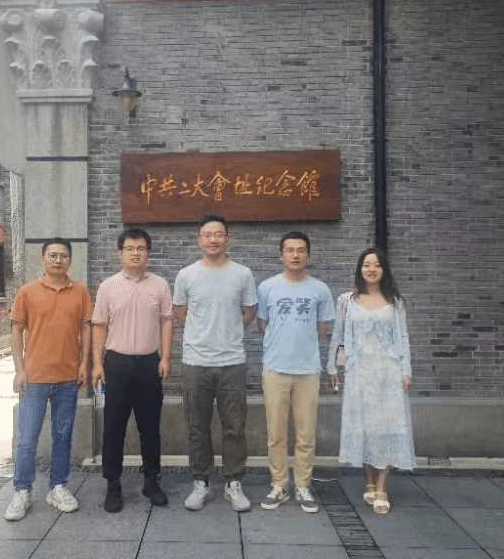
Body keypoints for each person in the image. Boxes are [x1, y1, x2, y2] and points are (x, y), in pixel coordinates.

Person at [173, 215, 257, 512]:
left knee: (234, 425)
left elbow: (249, 312)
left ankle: (234, 483)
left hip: (232, 361)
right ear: (199, 239)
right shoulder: (186, 275)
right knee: (197, 425)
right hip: (196, 362)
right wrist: (202, 335)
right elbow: (180, 312)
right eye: (208, 234)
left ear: (227, 238)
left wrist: (228, 332)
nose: (213, 239)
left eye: (219, 234)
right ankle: (201, 482)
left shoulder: (242, 274)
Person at [4, 238, 92, 521]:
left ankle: (58, 487)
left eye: (63, 255)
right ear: (42, 259)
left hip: (68, 379)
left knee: (62, 436)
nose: (57, 260)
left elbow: (86, 329)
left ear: (70, 260)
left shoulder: (80, 292)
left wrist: (84, 364)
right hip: (35, 379)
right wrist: (19, 370)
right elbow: (16, 331)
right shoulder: (28, 292)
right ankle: (22, 491)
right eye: (52, 255)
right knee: (27, 439)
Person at [327, 247, 415, 515]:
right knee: (363, 427)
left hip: (389, 372)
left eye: (377, 265)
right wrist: (331, 366)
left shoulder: (395, 301)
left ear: (384, 270)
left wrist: (406, 370)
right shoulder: (347, 300)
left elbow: (403, 337)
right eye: (367, 264)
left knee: (388, 427)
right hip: (359, 372)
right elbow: (338, 334)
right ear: (360, 269)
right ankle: (368, 481)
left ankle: (382, 486)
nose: (371, 269)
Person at [91, 228, 173, 513]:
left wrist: (165, 357)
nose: (135, 253)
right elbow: (99, 325)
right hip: (117, 364)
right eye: (130, 248)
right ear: (120, 253)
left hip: (150, 363)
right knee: (113, 426)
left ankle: (152, 480)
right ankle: (113, 483)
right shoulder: (108, 287)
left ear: (148, 253)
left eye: (140, 248)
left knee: (150, 427)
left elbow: (166, 321)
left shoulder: (160, 285)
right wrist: (97, 363)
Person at [257, 232, 335, 514]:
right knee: (276, 433)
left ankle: (303, 484)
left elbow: (322, 329)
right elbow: (262, 324)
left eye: (301, 250)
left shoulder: (320, 290)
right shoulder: (267, 287)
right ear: (281, 255)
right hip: (275, 368)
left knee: (305, 434)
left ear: (308, 255)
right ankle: (279, 484)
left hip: (307, 370)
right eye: (289, 250)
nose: (295, 255)